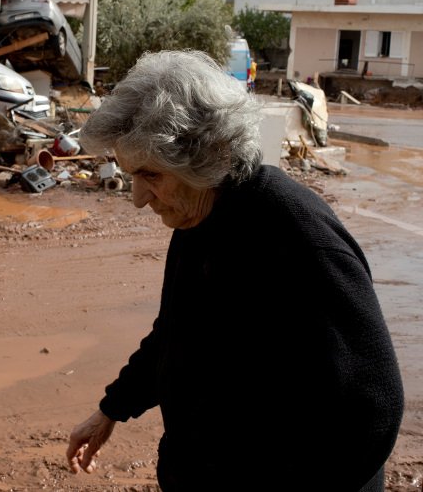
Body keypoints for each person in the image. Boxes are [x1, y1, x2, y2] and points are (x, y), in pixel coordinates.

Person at [65, 50, 404, 491]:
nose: (138, 198)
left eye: (151, 175)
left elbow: (373, 404)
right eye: (133, 176)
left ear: (211, 154)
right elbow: (177, 331)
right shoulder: (198, 216)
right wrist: (111, 409)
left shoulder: (299, 239)